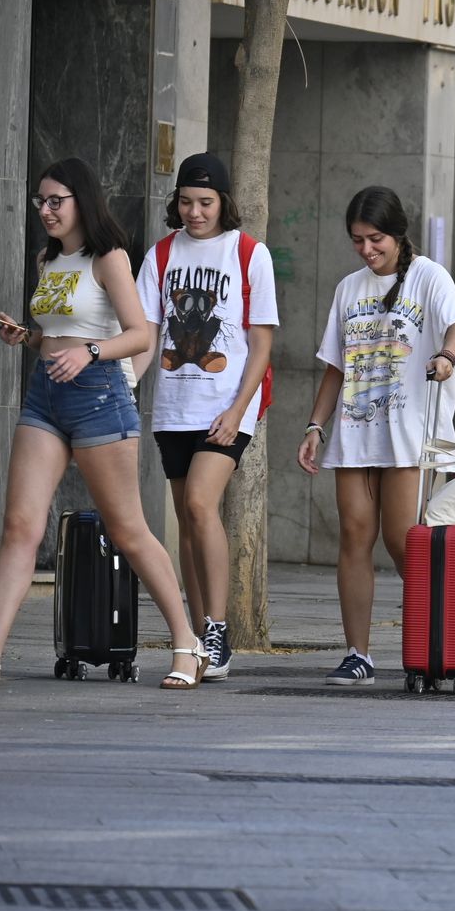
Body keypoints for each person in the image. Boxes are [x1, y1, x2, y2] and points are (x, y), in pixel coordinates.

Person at [0, 157, 207, 689]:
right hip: (45, 396)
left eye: (56, 200)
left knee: (128, 530)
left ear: (83, 200)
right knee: (20, 525)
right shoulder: (47, 259)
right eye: (41, 202)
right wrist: (26, 337)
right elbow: (55, 334)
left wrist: (91, 352)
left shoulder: (109, 258)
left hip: (100, 396)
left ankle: (186, 643)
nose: (46, 210)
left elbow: (139, 335)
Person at [297, 186, 455, 686]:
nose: (367, 250)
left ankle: (444, 639)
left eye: (376, 240)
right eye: (357, 241)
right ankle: (359, 654)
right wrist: (314, 426)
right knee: (354, 535)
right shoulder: (349, 288)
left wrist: (447, 357)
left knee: (403, 541)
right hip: (354, 431)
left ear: (398, 234)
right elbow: (335, 366)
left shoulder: (429, 276)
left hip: (409, 434)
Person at [136, 153, 278, 682]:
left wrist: (238, 409)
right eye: (186, 202)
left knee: (200, 503)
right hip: (174, 407)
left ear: (224, 202)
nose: (194, 212)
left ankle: (217, 630)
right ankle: (195, 639)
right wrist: (127, 379)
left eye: (205, 202)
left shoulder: (249, 253)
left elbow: (261, 342)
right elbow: (147, 336)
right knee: (190, 524)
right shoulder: (161, 255)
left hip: (226, 406)